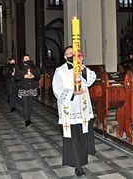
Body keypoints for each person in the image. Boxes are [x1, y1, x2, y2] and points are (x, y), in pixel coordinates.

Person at [52, 46, 96, 177]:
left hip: (82, 109)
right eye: (69, 53)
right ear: (65, 57)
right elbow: (57, 89)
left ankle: (82, 161)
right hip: (69, 109)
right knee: (73, 139)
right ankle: (78, 166)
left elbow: (91, 80)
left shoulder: (82, 68)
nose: (72, 55)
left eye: (74, 53)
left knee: (82, 137)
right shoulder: (60, 71)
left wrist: (82, 69)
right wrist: (72, 93)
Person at [14, 54, 41, 127]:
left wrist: (33, 76)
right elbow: (16, 77)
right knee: (26, 105)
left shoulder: (33, 66)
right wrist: (23, 76)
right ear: (22, 60)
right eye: (25, 59)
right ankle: (27, 120)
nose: (27, 60)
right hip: (24, 87)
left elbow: (38, 76)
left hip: (32, 87)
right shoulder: (19, 67)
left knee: (30, 104)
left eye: (28, 58)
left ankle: (29, 118)